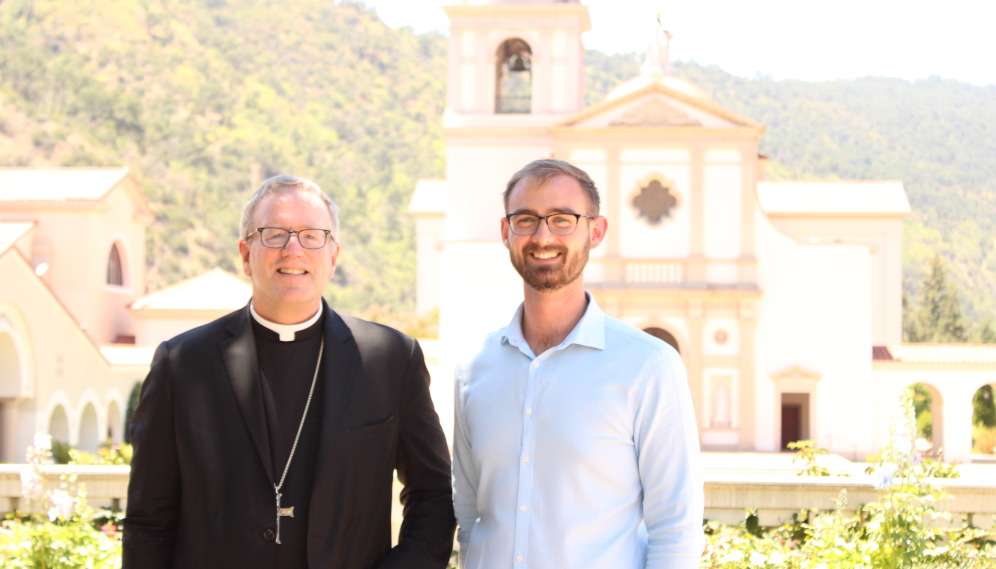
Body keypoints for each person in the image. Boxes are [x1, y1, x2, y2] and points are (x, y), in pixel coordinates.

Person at [124, 175, 455, 569]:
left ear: (333, 256)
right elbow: (148, 520)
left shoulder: (390, 360)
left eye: (312, 235)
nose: (293, 249)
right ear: (246, 254)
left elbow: (434, 496)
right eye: (274, 234)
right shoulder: (182, 364)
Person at [452, 159, 704, 569]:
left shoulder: (650, 366)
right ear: (506, 232)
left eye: (562, 219)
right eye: (527, 219)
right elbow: (467, 511)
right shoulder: (473, 366)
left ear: (596, 231)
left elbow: (676, 529)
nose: (543, 235)